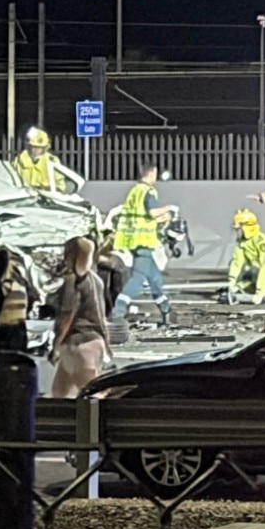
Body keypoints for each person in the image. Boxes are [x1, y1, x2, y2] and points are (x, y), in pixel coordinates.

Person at [110, 164, 178, 325]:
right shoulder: (148, 191)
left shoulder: (135, 191)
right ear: (152, 173)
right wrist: (170, 208)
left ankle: (165, 309)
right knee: (139, 277)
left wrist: (163, 218)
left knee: (154, 278)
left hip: (133, 239)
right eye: (155, 173)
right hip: (144, 241)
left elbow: (140, 215)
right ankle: (118, 310)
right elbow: (152, 212)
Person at [49, 236, 112, 397]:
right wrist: (106, 341)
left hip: (78, 342)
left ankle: (103, 421)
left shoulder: (73, 282)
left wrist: (56, 345)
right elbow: (100, 312)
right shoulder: (94, 279)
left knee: (92, 394)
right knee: (59, 392)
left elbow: (67, 315)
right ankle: (56, 421)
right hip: (93, 340)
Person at [225, 208, 265, 303]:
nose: (236, 232)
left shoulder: (262, 242)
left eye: (238, 229)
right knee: (247, 270)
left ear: (246, 228)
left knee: (260, 273)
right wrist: (231, 281)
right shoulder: (242, 242)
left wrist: (260, 292)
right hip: (257, 267)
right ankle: (250, 286)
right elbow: (237, 261)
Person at [12, 127, 73, 192]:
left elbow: (60, 186)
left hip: (46, 199)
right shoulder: (18, 161)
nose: (36, 150)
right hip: (23, 198)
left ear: (45, 148)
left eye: (40, 147)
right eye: (34, 146)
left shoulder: (52, 161)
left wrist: (45, 189)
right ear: (29, 146)